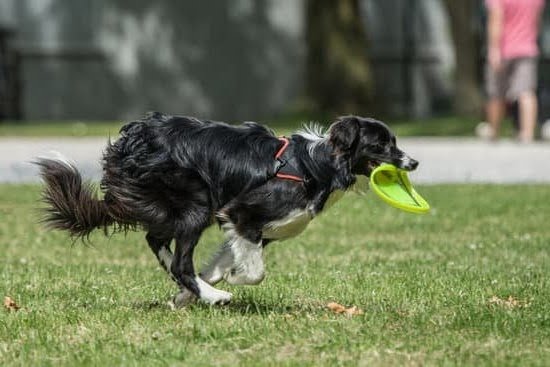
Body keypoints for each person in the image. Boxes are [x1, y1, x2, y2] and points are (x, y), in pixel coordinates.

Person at [483, 0, 545, 143]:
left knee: (496, 93)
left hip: (503, 49)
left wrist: (493, 49)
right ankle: (527, 134)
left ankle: (494, 133)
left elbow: (495, 19)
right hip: (527, 48)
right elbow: (537, 21)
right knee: (527, 92)